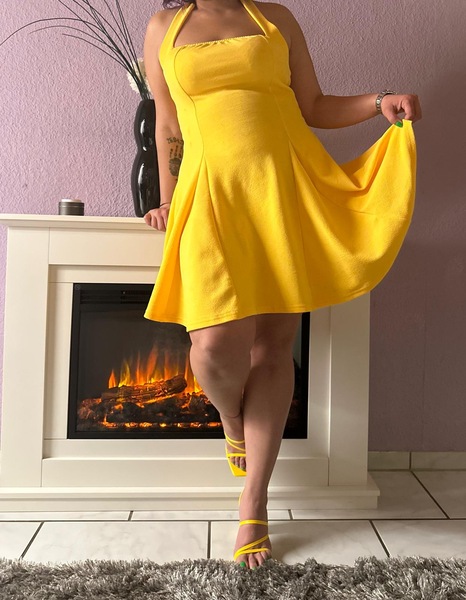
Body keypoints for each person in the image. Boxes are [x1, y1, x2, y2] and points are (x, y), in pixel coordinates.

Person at [142, 0, 422, 569]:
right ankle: (232, 419)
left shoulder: (274, 18)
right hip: (210, 194)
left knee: (273, 346)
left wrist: (379, 102)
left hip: (282, 188)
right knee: (211, 347)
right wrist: (167, 200)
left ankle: (255, 501)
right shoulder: (164, 26)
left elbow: (313, 105)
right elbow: (167, 123)